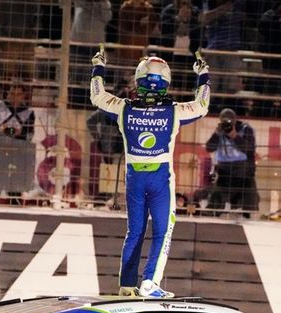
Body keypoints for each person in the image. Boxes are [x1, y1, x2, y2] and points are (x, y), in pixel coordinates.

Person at [90, 48, 211, 298]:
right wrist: (203, 74)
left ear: (138, 79)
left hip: (134, 178)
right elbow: (202, 104)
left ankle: (126, 285)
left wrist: (99, 66)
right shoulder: (174, 111)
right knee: (163, 231)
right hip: (160, 180)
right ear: (166, 81)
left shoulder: (124, 108)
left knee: (134, 231)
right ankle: (150, 284)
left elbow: (97, 96)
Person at [205, 108, 259, 217]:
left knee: (247, 204)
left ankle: (245, 215)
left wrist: (235, 136)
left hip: (243, 173)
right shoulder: (220, 131)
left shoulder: (245, 129)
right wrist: (216, 134)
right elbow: (209, 148)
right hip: (225, 173)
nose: (227, 125)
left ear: (235, 120)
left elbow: (249, 149)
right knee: (215, 202)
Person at [0, 84, 36, 196]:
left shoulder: (29, 113)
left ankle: (15, 198)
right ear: (7, 94)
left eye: (18, 94)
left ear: (24, 96)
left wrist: (13, 132)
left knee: (16, 180)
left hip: (18, 149)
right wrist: (3, 130)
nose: (15, 97)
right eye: (12, 94)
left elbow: (27, 133)